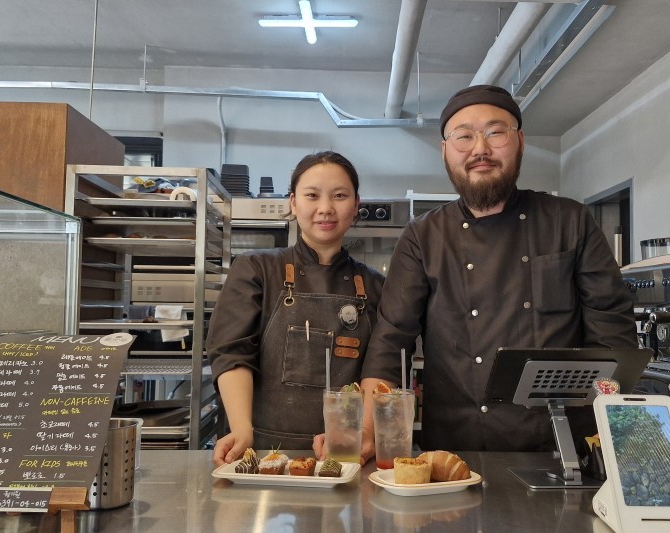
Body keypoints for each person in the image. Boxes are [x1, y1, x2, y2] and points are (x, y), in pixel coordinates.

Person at [356, 85, 638, 456]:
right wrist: (365, 430)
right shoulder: (423, 236)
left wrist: (618, 445)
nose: (480, 150)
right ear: (445, 150)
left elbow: (612, 338)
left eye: (495, 132)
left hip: (564, 449)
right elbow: (392, 340)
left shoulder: (570, 222)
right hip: (457, 451)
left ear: (519, 141)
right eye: (464, 136)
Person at [208, 151, 385, 467]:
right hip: (264, 453)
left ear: (356, 204)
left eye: (340, 196)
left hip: (346, 456)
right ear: (293, 202)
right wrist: (241, 429)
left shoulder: (374, 286)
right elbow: (232, 354)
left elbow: (381, 370)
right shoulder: (257, 269)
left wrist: (362, 435)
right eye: (312, 195)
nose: (325, 208)